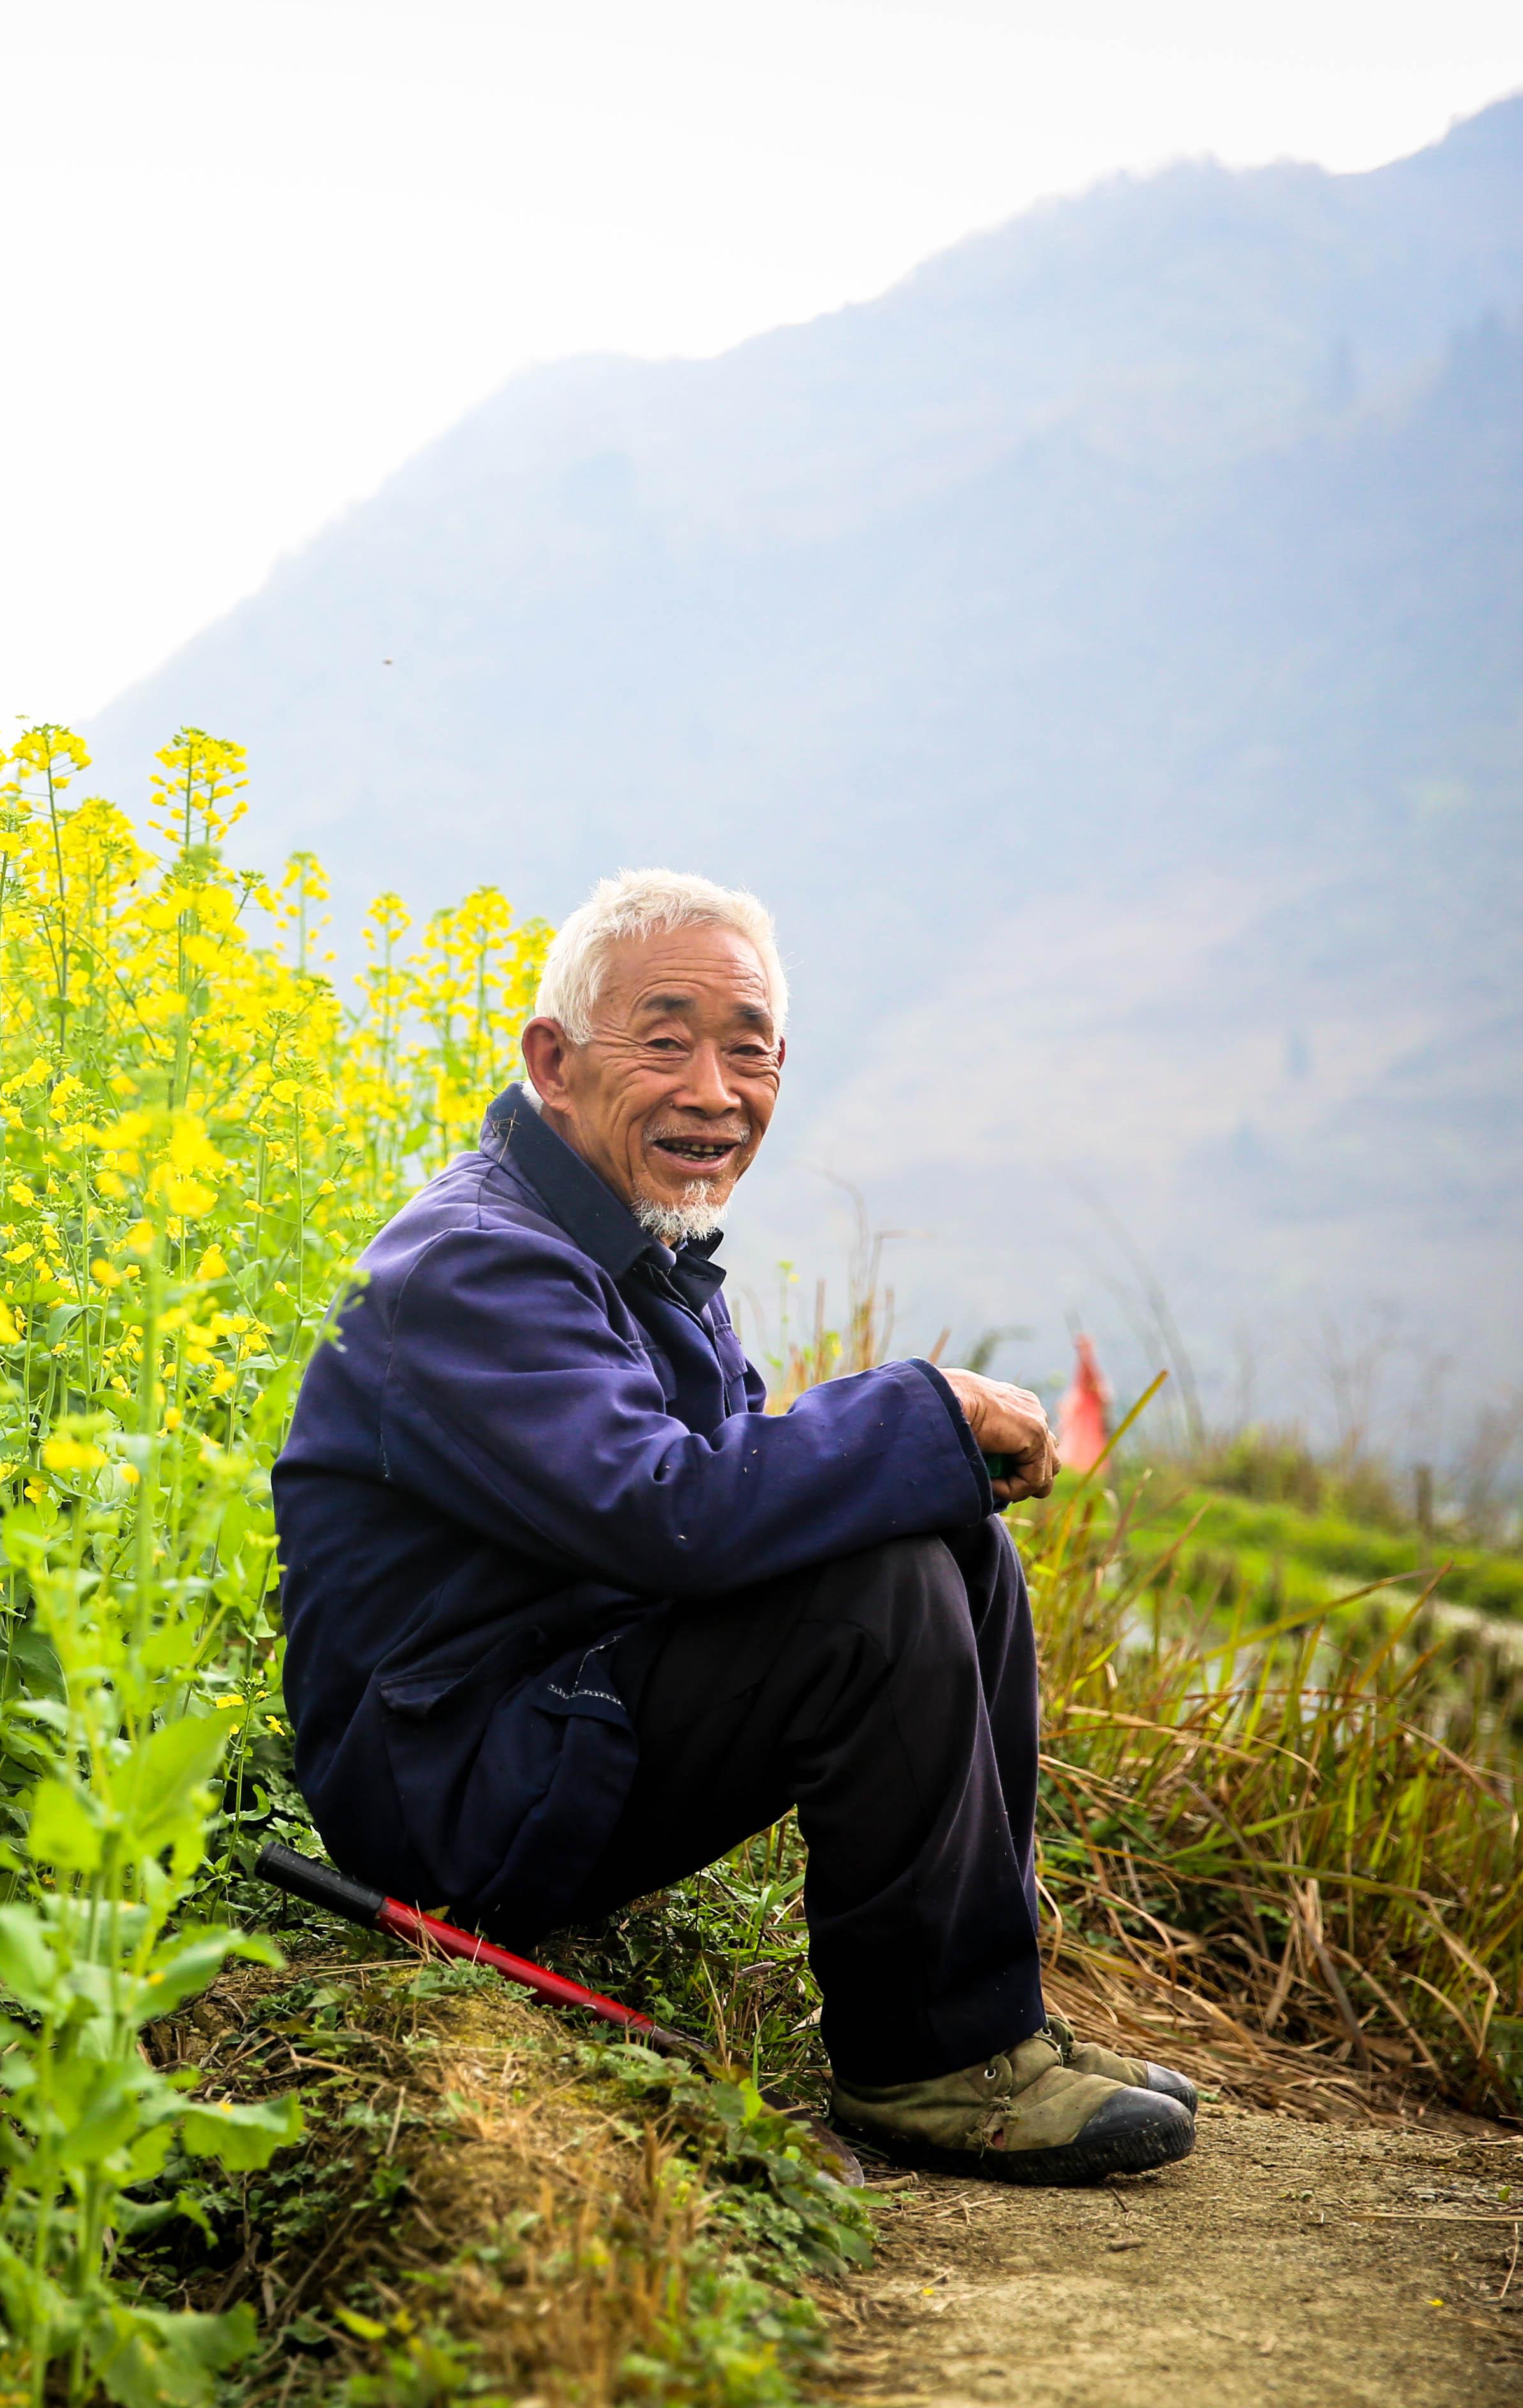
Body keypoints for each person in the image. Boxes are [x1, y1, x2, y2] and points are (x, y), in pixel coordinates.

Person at [269, 868, 1197, 2183]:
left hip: (567, 1717)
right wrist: (924, 1405)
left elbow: (727, 1504)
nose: (715, 1089)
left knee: (959, 1553)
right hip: (456, 1795)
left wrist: (915, 1462)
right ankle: (926, 2063)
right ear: (553, 1062)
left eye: (747, 1048)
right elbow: (673, 1516)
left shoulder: (629, 1247)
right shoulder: (478, 1263)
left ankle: (994, 2023)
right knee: (874, 1596)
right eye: (664, 1041)